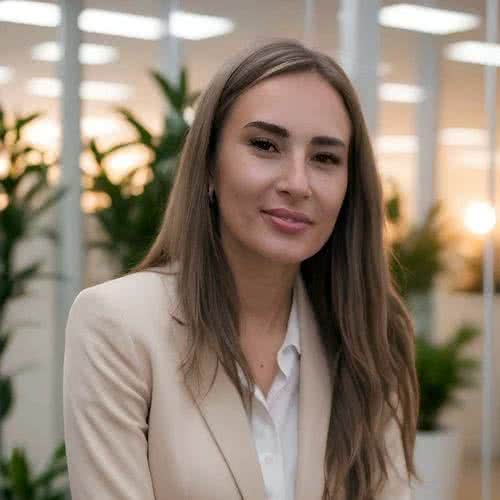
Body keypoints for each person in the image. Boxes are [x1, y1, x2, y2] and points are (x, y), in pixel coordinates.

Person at [63, 38, 419, 500]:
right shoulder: (119, 324)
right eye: (265, 145)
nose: (298, 183)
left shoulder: (368, 337)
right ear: (209, 166)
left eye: (325, 158)